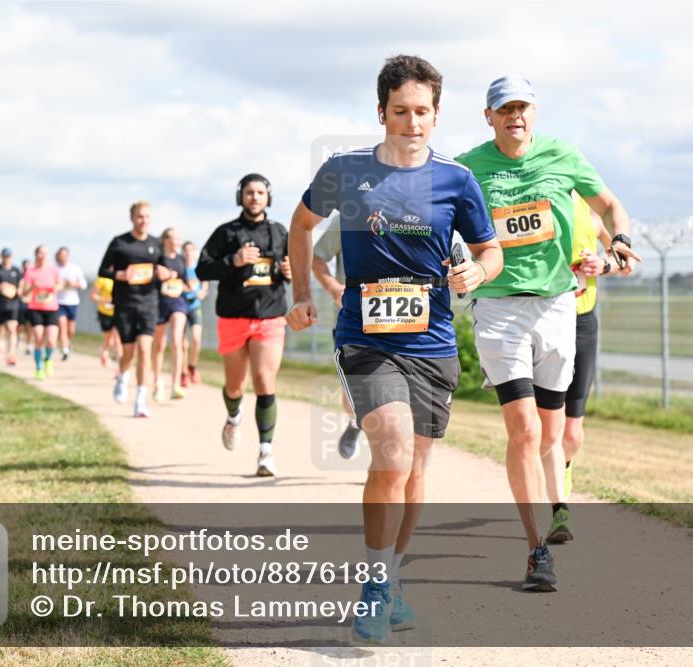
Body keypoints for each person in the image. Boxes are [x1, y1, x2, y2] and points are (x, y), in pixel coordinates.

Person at [287, 55, 502, 643]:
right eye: (401, 111)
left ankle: (393, 577)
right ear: (381, 112)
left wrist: (478, 273)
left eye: (422, 112)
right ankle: (376, 586)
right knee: (393, 451)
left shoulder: (457, 180)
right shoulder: (345, 170)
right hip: (366, 339)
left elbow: (491, 251)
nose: (412, 123)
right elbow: (300, 227)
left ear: (437, 115)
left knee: (415, 469)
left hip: (432, 341)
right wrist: (302, 293)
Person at [456, 74, 640, 592]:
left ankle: (555, 499)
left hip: (558, 306)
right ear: (488, 116)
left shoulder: (563, 155)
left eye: (523, 107)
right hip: (498, 306)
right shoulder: (468, 167)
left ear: (534, 113)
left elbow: (610, 205)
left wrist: (619, 241)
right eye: (504, 108)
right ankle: (537, 550)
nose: (514, 115)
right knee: (524, 431)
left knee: (553, 434)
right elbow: (438, 219)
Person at [197, 173, 293, 477]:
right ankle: (233, 415)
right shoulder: (226, 233)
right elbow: (201, 270)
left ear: (268, 197)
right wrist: (233, 261)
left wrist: (290, 271)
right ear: (241, 196)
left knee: (264, 379)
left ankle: (266, 452)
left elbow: (295, 268)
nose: (255, 198)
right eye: (249, 192)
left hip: (270, 316)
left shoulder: (279, 232)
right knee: (235, 386)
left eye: (260, 193)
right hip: (233, 317)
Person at [546, 193, 614, 543]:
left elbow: (623, 260)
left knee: (571, 435)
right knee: (548, 427)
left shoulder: (592, 214)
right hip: (544, 321)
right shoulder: (539, 203)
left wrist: (603, 264)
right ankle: (558, 508)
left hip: (582, 323)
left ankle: (565, 466)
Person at [98, 201, 171, 418]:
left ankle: (140, 400)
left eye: (147, 216)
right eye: (140, 216)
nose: (143, 220)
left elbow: (165, 269)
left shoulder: (156, 243)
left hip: (149, 303)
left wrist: (166, 274)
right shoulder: (120, 243)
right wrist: (120, 275)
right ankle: (122, 376)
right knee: (128, 352)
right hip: (125, 304)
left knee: (145, 349)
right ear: (132, 218)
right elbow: (103, 270)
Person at [311, 210, 363, 459]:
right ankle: (355, 422)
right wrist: (333, 288)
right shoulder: (346, 218)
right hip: (351, 320)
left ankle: (387, 459)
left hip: (400, 321)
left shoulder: (413, 217)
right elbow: (317, 257)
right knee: (355, 394)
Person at [152, 228, 194, 400]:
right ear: (165, 240)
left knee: (177, 341)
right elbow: (152, 277)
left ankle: (176, 384)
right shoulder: (158, 257)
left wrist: (184, 284)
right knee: (160, 345)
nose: (177, 242)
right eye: (174, 238)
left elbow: (185, 283)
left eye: (179, 238)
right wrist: (163, 275)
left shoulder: (181, 259)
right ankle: (157, 382)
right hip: (160, 303)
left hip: (178, 302)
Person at [21, 245, 63, 380]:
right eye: (41, 253)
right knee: (38, 337)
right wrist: (33, 287)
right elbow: (24, 292)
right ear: (36, 255)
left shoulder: (53, 269)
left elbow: (60, 284)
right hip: (36, 308)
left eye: (45, 253)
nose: (43, 256)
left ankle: (48, 359)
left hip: (51, 308)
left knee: (51, 340)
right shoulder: (30, 271)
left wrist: (54, 288)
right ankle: (39, 368)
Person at [0, 247, 22, 365]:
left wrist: (19, 290)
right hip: (0, 304)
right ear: (1, 256)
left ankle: (11, 354)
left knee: (12, 329)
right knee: (0, 330)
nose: (7, 258)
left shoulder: (16, 270)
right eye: (5, 256)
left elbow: (22, 284)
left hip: (13, 304)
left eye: (9, 256)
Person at [180, 240, 208, 387]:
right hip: (181, 308)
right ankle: (183, 373)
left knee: (196, 339)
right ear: (182, 252)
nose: (188, 253)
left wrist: (202, 292)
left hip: (195, 307)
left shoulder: (199, 268)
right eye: (186, 250)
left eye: (191, 250)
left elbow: (205, 284)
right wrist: (184, 288)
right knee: (183, 344)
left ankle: (192, 366)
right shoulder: (179, 267)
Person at [56, 246, 87, 361]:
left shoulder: (75, 268)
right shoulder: (55, 269)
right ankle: (65, 349)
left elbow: (83, 284)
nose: (63, 257)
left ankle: (68, 343)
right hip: (59, 302)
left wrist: (73, 283)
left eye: (65, 255)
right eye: (61, 255)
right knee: (62, 325)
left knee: (71, 330)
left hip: (72, 302)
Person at [89, 272, 121, 369]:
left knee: (117, 339)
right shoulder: (102, 279)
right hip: (105, 313)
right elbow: (92, 295)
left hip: (119, 313)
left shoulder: (121, 278)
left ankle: (120, 366)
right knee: (108, 339)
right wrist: (104, 300)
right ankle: (105, 353)